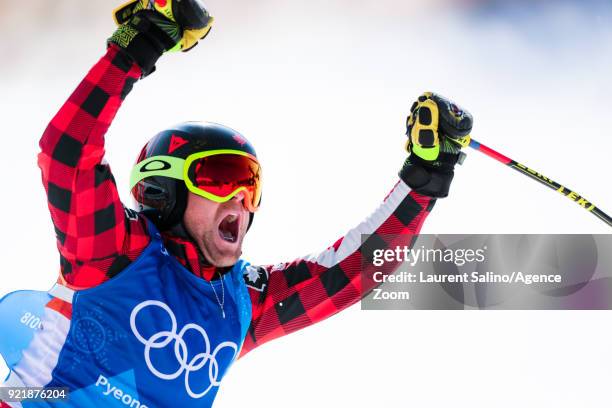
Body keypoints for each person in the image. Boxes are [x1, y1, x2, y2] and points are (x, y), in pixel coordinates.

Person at [0, 0, 473, 407]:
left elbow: (355, 270)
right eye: (220, 178)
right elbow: (66, 153)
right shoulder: (113, 252)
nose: (240, 199)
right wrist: (139, 43)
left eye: (250, 184)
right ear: (163, 193)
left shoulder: (241, 303)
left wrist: (426, 178)